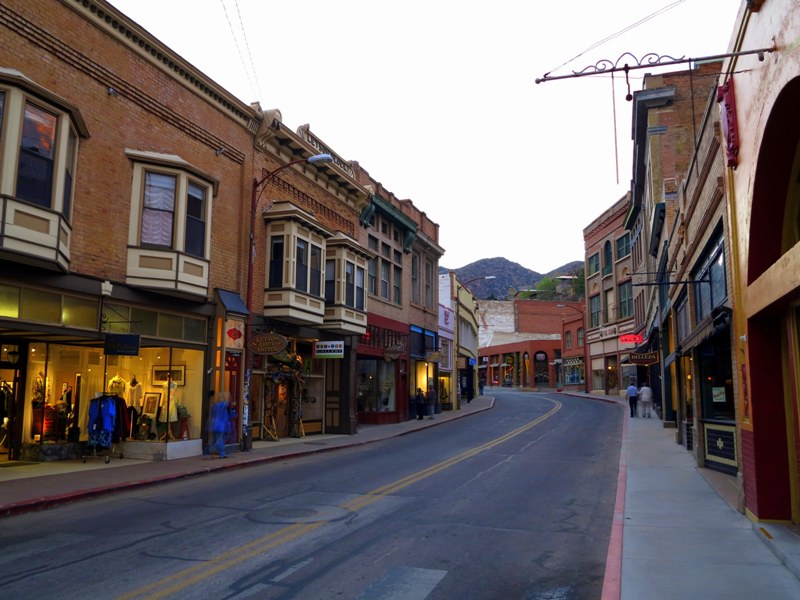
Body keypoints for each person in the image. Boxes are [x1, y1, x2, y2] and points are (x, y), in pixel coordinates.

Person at [208, 391, 230, 457]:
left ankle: (220, 452)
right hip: (220, 424)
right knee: (220, 438)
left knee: (216, 438)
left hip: (214, 423)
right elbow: (225, 416)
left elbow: (212, 414)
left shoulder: (215, 405)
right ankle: (216, 450)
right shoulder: (224, 405)